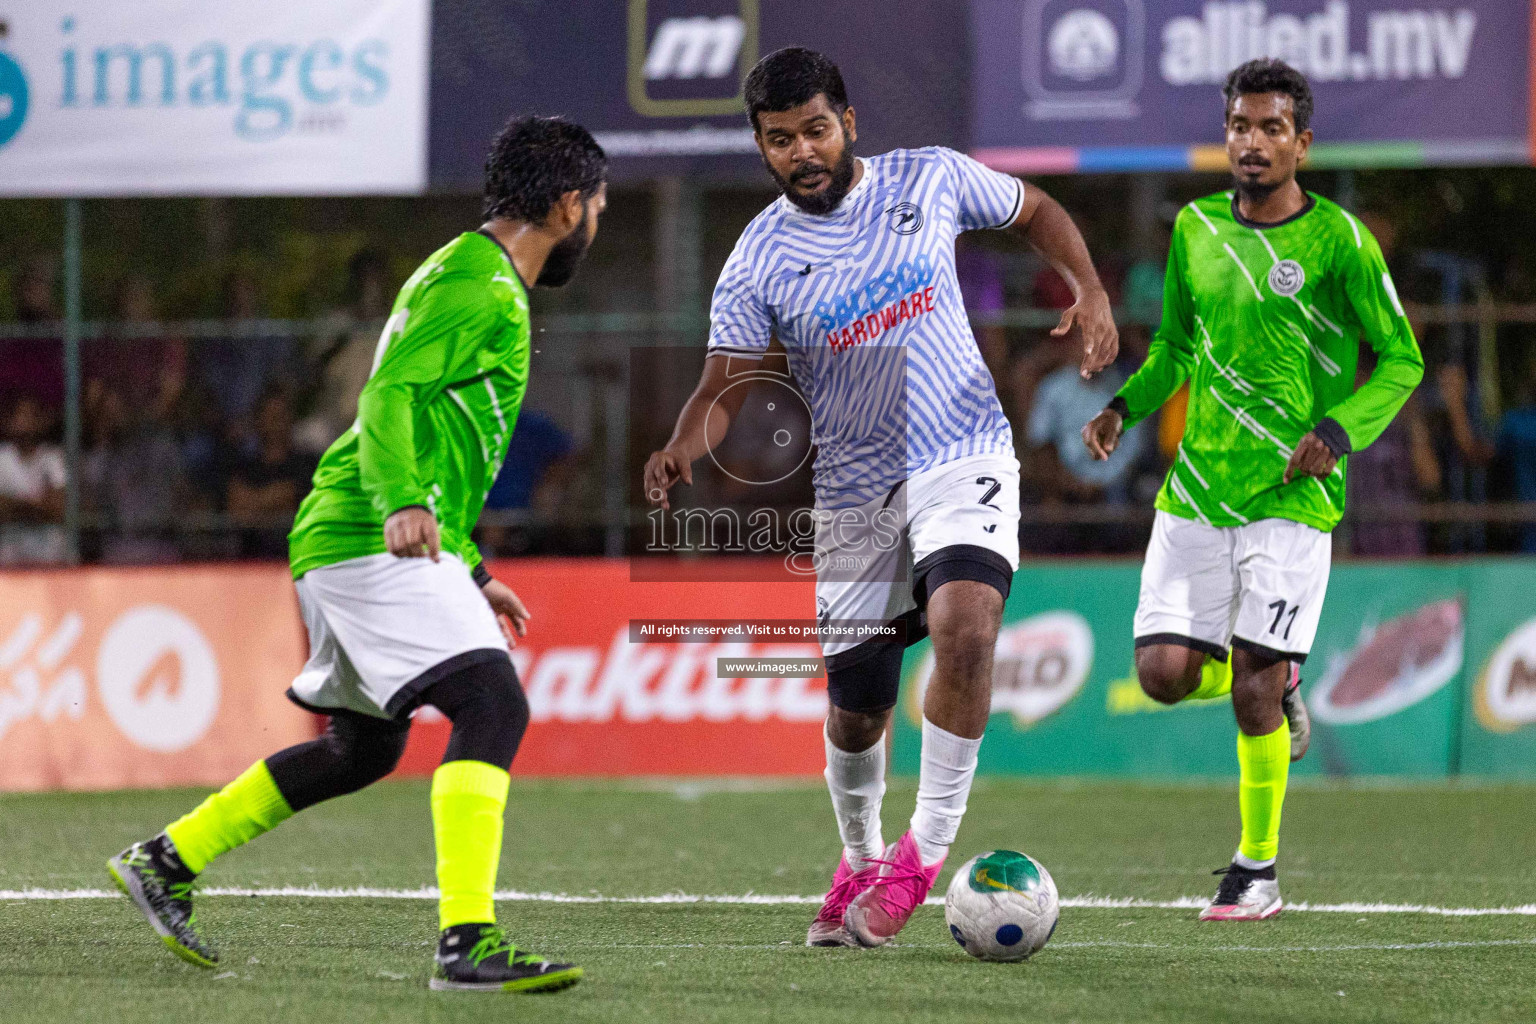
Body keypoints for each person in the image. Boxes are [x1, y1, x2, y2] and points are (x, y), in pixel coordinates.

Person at [108, 114, 608, 994]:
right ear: (569, 206)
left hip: (359, 533)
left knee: (361, 750)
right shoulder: (483, 288)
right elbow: (387, 402)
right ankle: (467, 943)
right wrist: (405, 504)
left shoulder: (469, 271)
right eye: (598, 202)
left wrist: (471, 566)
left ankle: (166, 861)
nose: (598, 219)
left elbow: (436, 429)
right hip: (363, 530)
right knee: (492, 705)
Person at [644, 48, 1117, 948]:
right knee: (858, 705)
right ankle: (859, 856)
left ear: (848, 122)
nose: (802, 152)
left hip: (962, 449)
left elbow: (1037, 210)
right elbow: (725, 382)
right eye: (780, 140)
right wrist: (680, 444)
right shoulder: (757, 259)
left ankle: (920, 856)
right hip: (856, 490)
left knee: (966, 625)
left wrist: (1090, 287)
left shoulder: (930, 180)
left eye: (816, 130)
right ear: (761, 146)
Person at [1081, 59, 1423, 920]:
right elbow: (1177, 350)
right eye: (1241, 125)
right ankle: (1276, 685)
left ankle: (1257, 870)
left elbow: (1404, 358)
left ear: (1301, 143)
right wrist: (1126, 403)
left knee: (1250, 692)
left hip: (1291, 497)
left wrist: (1341, 431)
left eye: (1272, 128)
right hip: (1197, 489)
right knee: (1161, 674)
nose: (1254, 141)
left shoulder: (1340, 240)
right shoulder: (1195, 228)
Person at [0, 394, 67, 564]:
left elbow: (59, 508)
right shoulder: (2, 457)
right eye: (20, 415)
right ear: (9, 421)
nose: (25, 422)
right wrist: (36, 505)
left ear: (40, 421)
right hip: (9, 555)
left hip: (50, 554)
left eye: (31, 416)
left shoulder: (53, 457)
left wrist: (14, 504)